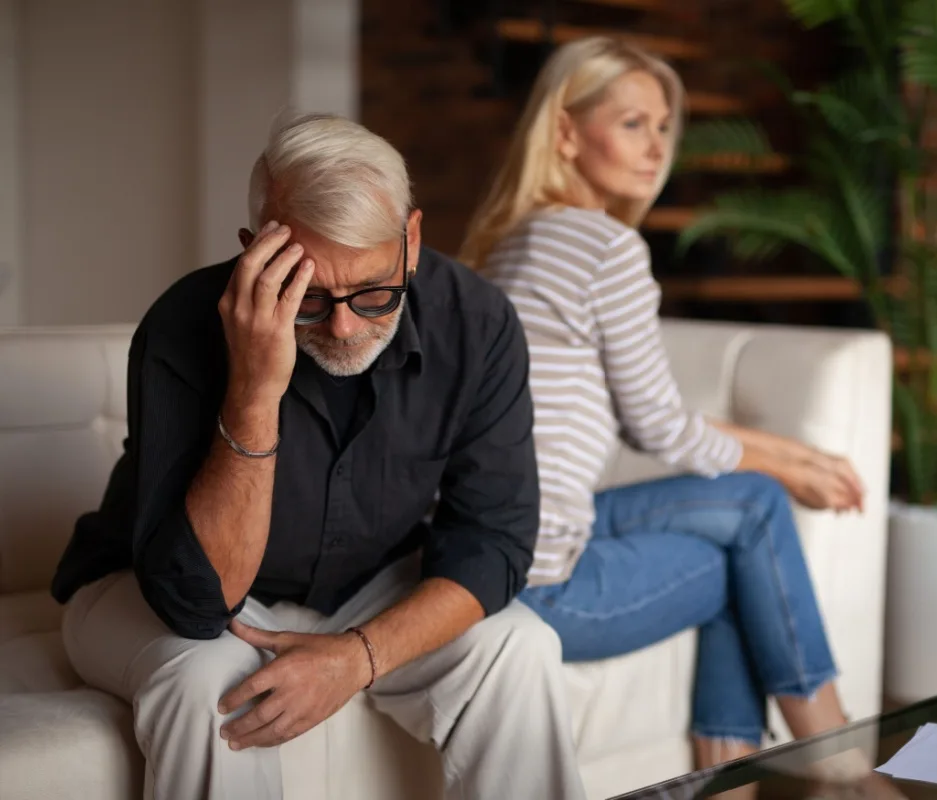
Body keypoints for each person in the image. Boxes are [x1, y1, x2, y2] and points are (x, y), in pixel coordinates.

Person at [50, 113, 585, 800]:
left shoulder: (476, 323)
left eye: (373, 292)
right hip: (146, 586)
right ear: (254, 251)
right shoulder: (184, 325)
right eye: (307, 296)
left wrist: (358, 658)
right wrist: (252, 389)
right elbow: (197, 602)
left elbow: (494, 542)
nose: (343, 326)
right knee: (212, 685)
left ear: (411, 241)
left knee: (521, 646)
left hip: (363, 589)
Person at [461, 36, 888, 796]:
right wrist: (791, 462)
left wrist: (787, 458)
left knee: (754, 504)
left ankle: (787, 774)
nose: (657, 146)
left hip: (492, 551)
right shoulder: (603, 246)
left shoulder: (508, 244)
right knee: (747, 538)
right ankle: (842, 769)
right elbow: (657, 428)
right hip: (539, 582)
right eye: (632, 123)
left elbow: (644, 420)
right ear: (565, 132)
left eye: (664, 126)